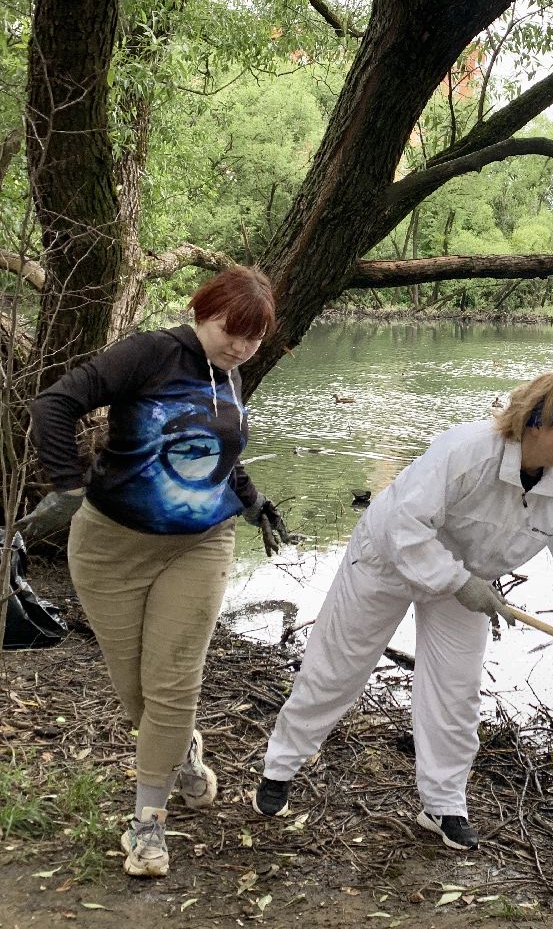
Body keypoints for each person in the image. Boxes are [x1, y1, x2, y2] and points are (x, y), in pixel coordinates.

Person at [253, 372, 553, 850]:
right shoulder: (468, 450)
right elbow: (404, 523)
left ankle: (443, 804)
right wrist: (455, 580)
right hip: (387, 559)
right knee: (338, 667)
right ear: (535, 424)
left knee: (456, 692)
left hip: (468, 582)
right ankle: (280, 768)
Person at [20, 266, 289, 878]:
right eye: (233, 331)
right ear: (204, 311)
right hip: (111, 549)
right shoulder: (151, 354)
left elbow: (216, 456)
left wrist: (253, 502)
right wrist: (64, 486)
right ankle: (184, 757)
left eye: (255, 339)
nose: (241, 347)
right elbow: (53, 405)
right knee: (135, 691)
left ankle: (147, 826)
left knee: (172, 685)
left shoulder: (232, 376)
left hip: (200, 546)